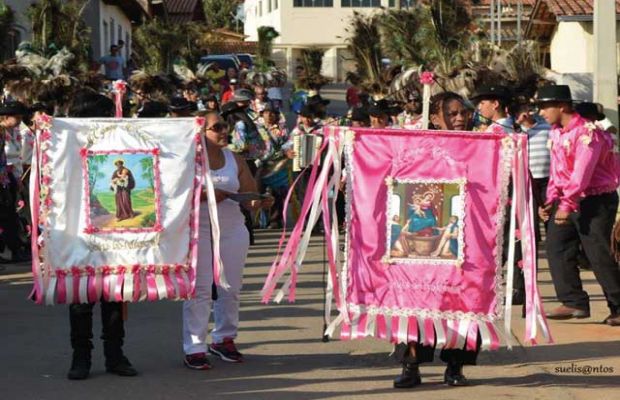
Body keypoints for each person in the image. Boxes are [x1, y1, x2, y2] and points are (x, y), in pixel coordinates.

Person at [393, 92, 477, 389]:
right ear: (434, 117)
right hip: (419, 241)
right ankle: (411, 366)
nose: (459, 119)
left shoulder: (480, 146)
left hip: (467, 238)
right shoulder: (416, 146)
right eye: (452, 113)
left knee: (462, 302)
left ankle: (455, 367)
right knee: (414, 302)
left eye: (463, 113)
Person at [182, 112, 273, 370]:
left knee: (230, 289)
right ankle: (194, 346)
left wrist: (260, 201)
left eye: (225, 126)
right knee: (199, 290)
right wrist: (206, 195)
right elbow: (175, 195)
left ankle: (223, 338)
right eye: (216, 127)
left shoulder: (236, 159)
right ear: (201, 131)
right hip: (198, 231)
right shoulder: (189, 160)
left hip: (232, 230)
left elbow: (248, 195)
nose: (224, 131)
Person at [65, 90, 137, 380]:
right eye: (106, 114)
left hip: (113, 235)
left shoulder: (115, 144)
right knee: (81, 300)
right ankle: (80, 358)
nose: (110, 119)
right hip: (78, 233)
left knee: (114, 296)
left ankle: (115, 356)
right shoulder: (65, 146)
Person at [536, 85, 620, 326]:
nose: (541, 112)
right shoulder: (556, 132)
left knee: (598, 254)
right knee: (557, 247)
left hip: (594, 200)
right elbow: (557, 171)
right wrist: (551, 200)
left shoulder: (588, 133)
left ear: (561, 106)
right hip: (566, 198)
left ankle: (618, 306)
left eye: (544, 107)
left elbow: (581, 174)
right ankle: (573, 301)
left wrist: (567, 204)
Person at [0, 101, 30, 263]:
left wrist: (17, 177)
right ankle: (13, 248)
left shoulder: (13, 132)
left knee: (10, 214)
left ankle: (15, 249)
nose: (19, 120)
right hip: (4, 176)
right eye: (16, 117)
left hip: (9, 176)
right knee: (7, 215)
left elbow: (16, 157)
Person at [255, 103, 291, 229]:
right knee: (258, 191)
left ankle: (275, 219)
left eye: (272, 113)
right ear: (262, 114)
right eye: (266, 112)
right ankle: (259, 220)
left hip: (277, 165)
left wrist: (283, 151)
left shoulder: (282, 129)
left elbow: (288, 143)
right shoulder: (256, 128)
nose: (269, 115)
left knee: (278, 193)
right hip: (260, 164)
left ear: (276, 115)